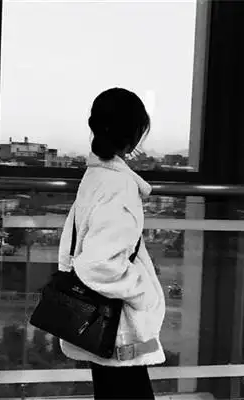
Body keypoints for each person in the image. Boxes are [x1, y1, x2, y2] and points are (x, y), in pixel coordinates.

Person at [58, 88, 166, 400]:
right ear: (133, 136)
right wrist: (143, 292)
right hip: (118, 323)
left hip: (97, 319)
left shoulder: (95, 177)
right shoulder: (119, 187)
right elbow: (99, 264)